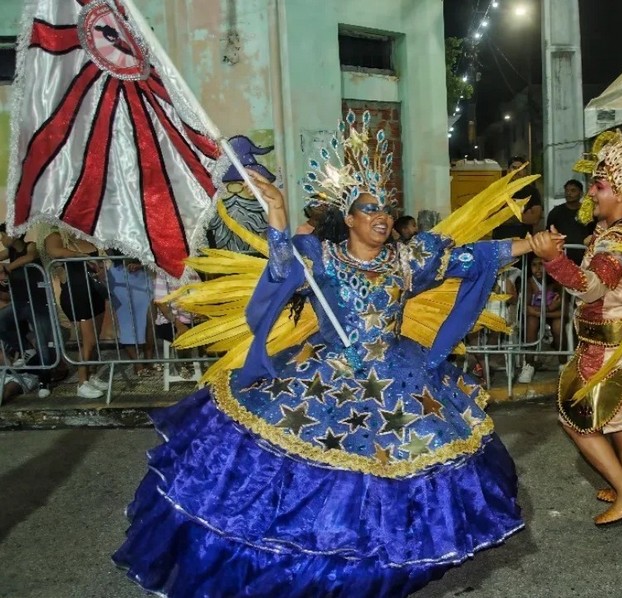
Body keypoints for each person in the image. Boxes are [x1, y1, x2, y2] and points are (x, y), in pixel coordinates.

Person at [114, 112, 543, 598]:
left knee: (399, 468)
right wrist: (277, 216)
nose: (381, 215)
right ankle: (321, 561)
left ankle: (385, 558)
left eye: (386, 207)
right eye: (369, 208)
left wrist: (529, 242)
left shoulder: (408, 259)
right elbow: (278, 272)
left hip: (397, 374)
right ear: (350, 218)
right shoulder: (319, 258)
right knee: (314, 472)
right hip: (326, 373)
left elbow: (474, 258)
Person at [532, 129, 622, 526]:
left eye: (599, 185)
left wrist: (552, 259)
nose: (592, 193)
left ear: (621, 189)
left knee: (573, 417)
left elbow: (591, 288)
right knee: (620, 418)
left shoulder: (618, 240)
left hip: (608, 346)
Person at [44, 229, 108, 398]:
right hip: (76, 293)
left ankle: (91, 374)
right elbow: (54, 251)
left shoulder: (86, 237)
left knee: (94, 339)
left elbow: (98, 262)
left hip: (93, 291)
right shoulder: (56, 236)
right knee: (87, 341)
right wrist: (82, 256)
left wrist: (100, 268)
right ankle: (81, 383)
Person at [0, 226, 56, 398]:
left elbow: (30, 256)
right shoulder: (9, 252)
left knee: (43, 343)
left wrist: (7, 269)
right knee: (1, 321)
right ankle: (25, 348)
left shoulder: (30, 246)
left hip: (38, 304)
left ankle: (44, 380)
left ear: (13, 235)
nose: (1, 240)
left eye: (3, 236)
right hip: (19, 303)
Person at [517, 255, 564, 384]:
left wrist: (544, 311)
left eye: (541, 264)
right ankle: (529, 364)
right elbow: (526, 309)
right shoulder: (529, 283)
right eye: (534, 265)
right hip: (536, 317)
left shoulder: (556, 282)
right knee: (531, 321)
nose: (538, 269)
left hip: (553, 316)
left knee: (558, 325)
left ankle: (563, 363)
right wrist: (547, 309)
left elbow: (563, 312)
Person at [491, 156, 543, 239]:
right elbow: (491, 218)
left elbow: (534, 219)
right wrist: (522, 216)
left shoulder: (533, 192)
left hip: (524, 242)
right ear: (508, 171)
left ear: (525, 171)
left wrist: (506, 214)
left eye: (521, 168)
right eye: (514, 168)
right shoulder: (498, 191)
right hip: (500, 241)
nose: (517, 171)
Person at [546, 179, 596, 264]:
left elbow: (594, 233)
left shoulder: (588, 212)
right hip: (561, 257)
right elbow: (548, 233)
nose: (569, 193)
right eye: (567, 190)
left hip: (584, 258)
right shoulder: (556, 212)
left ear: (581, 193)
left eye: (573, 190)